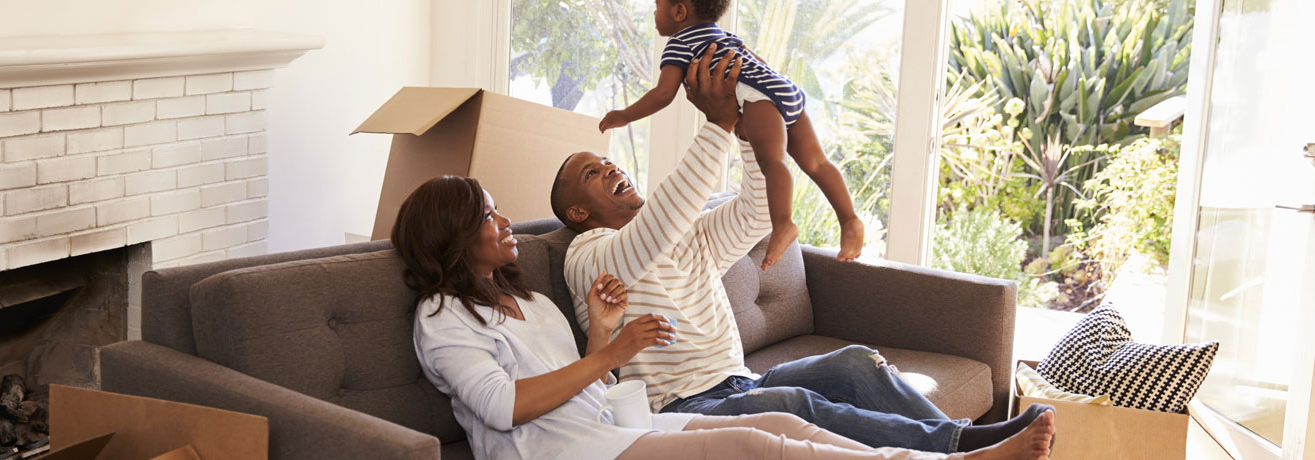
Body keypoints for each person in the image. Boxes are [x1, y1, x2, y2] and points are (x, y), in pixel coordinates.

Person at [555, 30, 1054, 454]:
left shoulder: (687, 232)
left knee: (855, 361)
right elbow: (652, 234)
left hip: (741, 380)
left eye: (609, 161)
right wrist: (716, 124)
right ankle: (962, 450)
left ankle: (966, 439)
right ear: (578, 211)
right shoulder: (587, 257)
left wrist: (748, 126)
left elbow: (756, 214)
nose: (611, 168)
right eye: (592, 173)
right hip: (684, 407)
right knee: (798, 406)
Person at [395, 174, 1055, 460]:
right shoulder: (444, 315)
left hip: (606, 428)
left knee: (779, 416)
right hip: (561, 452)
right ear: (452, 233)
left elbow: (586, 387)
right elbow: (506, 408)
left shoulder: (531, 303)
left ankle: (952, 448)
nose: (503, 221)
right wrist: (608, 351)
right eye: (486, 214)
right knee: (758, 439)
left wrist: (598, 339)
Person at [598, 0, 863, 268]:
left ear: (679, 12)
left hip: (756, 96)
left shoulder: (679, 44)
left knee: (772, 160)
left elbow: (663, 94)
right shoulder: (721, 35)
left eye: (657, 3)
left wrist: (625, 115)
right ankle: (849, 220)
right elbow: (756, 60)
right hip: (781, 86)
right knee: (817, 162)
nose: (655, 12)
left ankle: (783, 223)